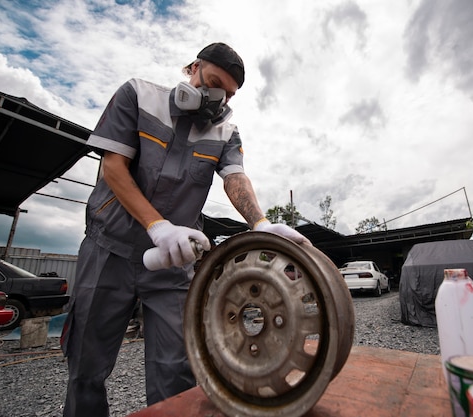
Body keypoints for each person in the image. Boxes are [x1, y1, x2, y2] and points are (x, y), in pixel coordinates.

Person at [61, 42, 309, 417]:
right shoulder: (138, 96)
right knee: (85, 366)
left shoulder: (225, 131)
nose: (217, 98)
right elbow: (113, 168)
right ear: (191, 69)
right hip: (108, 250)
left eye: (227, 93)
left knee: (176, 369)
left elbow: (235, 177)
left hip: (174, 263)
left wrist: (260, 223)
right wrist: (157, 226)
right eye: (212, 82)